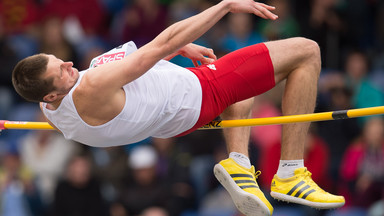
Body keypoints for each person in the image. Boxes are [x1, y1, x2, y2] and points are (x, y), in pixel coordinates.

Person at [11, 0, 345, 215]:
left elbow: (137, 65)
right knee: (306, 50)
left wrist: (179, 49)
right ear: (51, 95)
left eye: (61, 60)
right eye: (62, 70)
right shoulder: (91, 89)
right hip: (200, 91)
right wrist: (225, 6)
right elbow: (161, 43)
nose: (70, 63)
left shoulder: (54, 111)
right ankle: (289, 172)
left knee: (244, 91)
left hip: (175, 114)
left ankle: (239, 164)